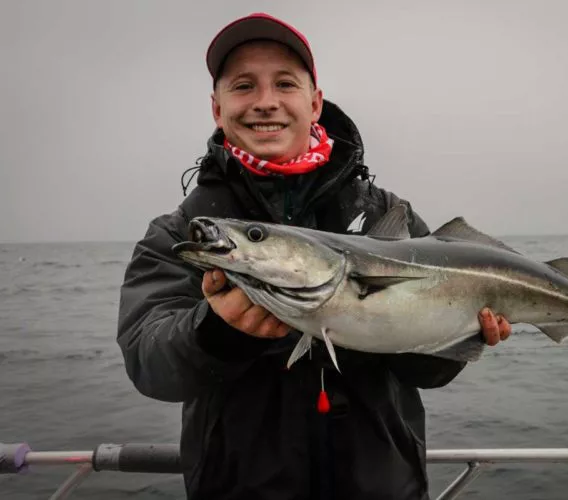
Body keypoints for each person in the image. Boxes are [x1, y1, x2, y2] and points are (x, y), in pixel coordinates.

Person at [117, 12, 511, 500]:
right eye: (243, 86)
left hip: (382, 487)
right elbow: (148, 363)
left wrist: (461, 331)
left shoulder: (387, 217)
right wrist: (215, 333)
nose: (266, 102)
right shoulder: (185, 233)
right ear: (217, 108)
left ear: (315, 103)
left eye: (285, 83)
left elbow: (425, 373)